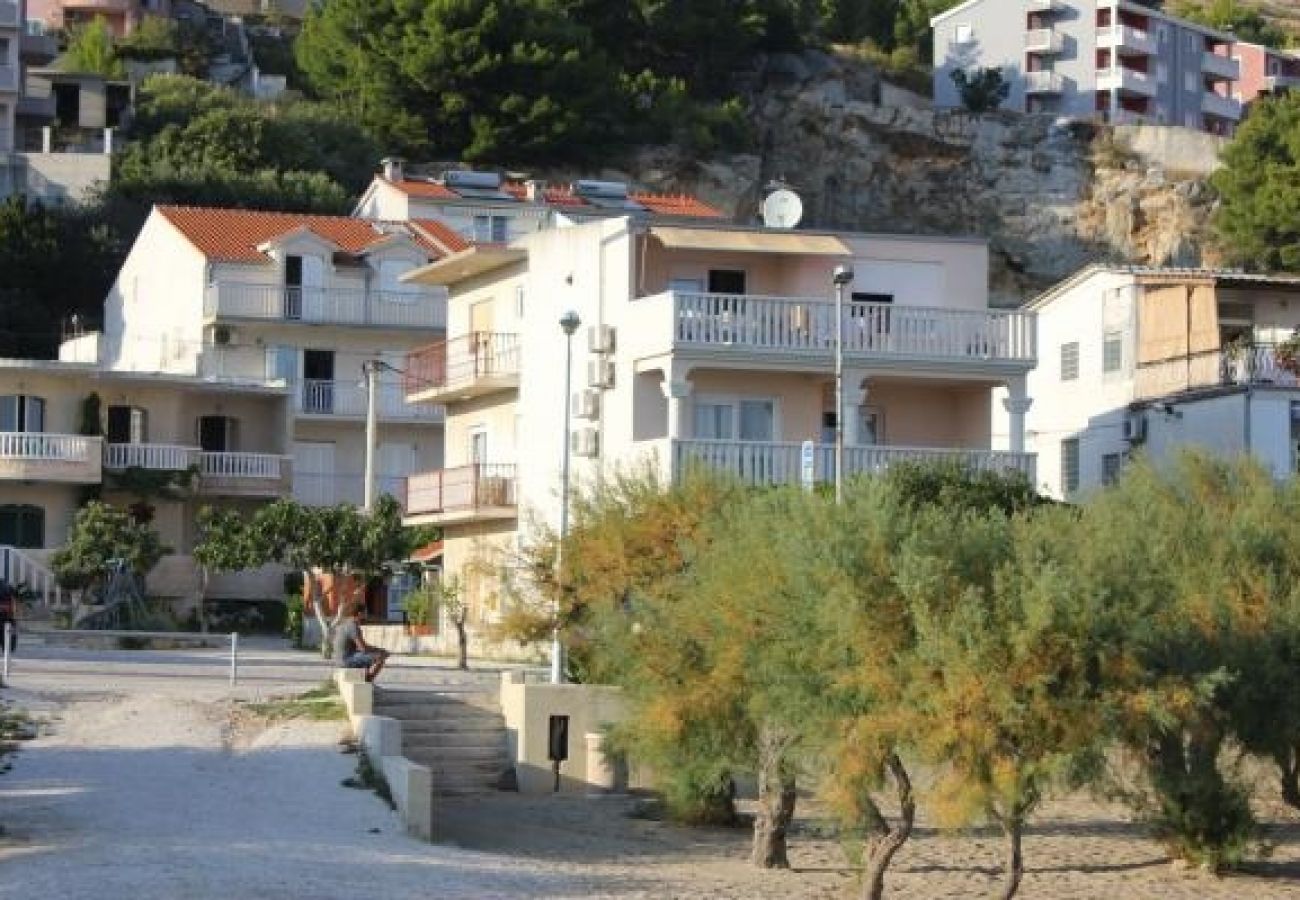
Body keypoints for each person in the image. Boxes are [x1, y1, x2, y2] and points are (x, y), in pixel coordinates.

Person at [334, 599, 388, 682]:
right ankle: (367, 681)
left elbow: (360, 648)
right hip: (346, 660)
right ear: (359, 614)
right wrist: (380, 651)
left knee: (368, 657)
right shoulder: (353, 626)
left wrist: (375, 650)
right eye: (365, 613)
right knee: (380, 658)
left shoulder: (345, 623)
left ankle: (365, 678)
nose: (366, 615)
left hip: (340, 659)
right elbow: (363, 648)